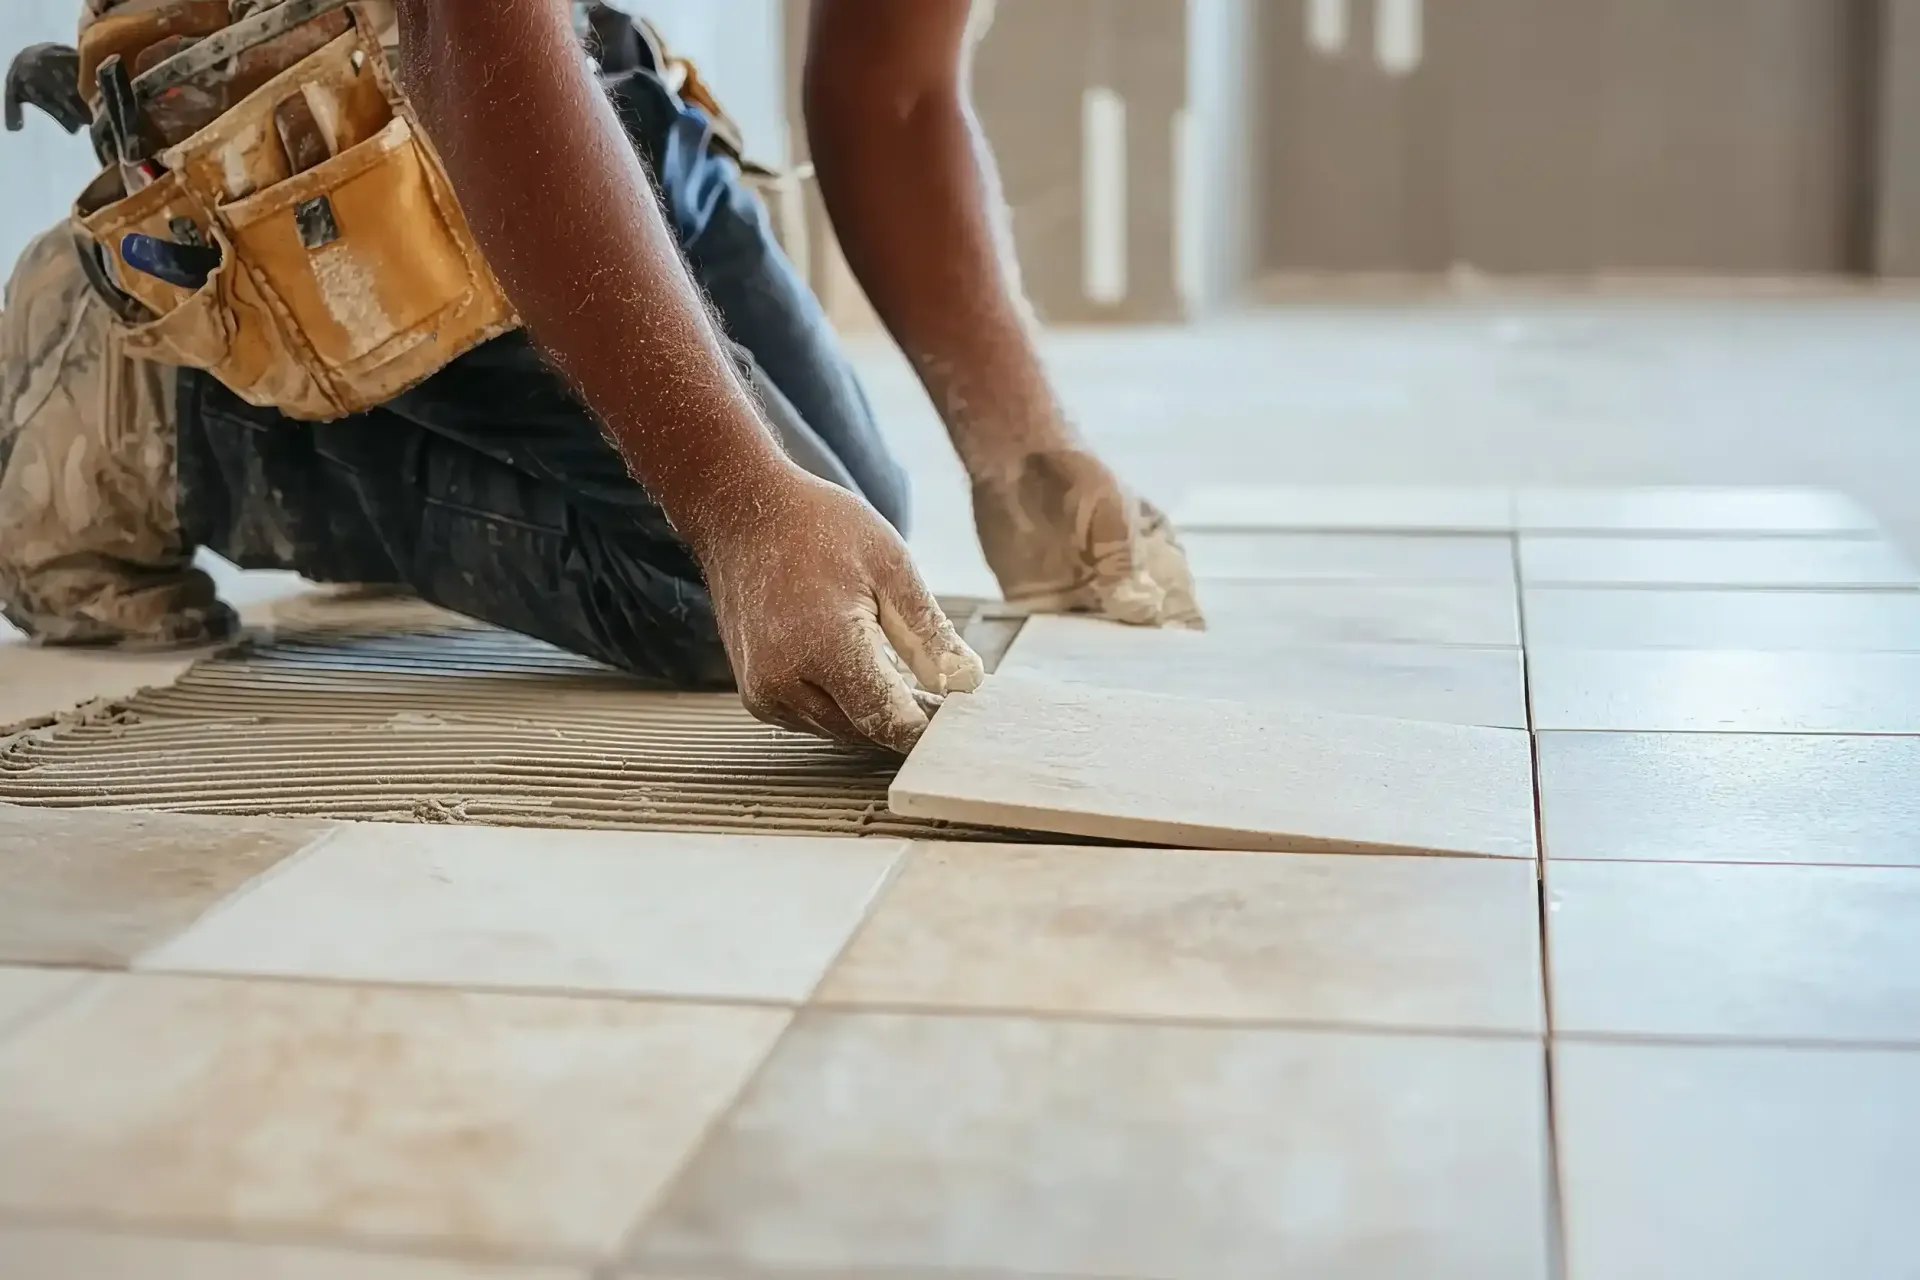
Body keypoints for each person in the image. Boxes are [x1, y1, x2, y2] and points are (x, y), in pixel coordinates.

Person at [0, 0, 1200, 753]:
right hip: (291, 94)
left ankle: (385, 399)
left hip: (557, 54)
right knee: (707, 585)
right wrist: (730, 506)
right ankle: (174, 410)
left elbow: (895, 88)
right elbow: (468, 35)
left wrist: (1021, 445)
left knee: (850, 513)